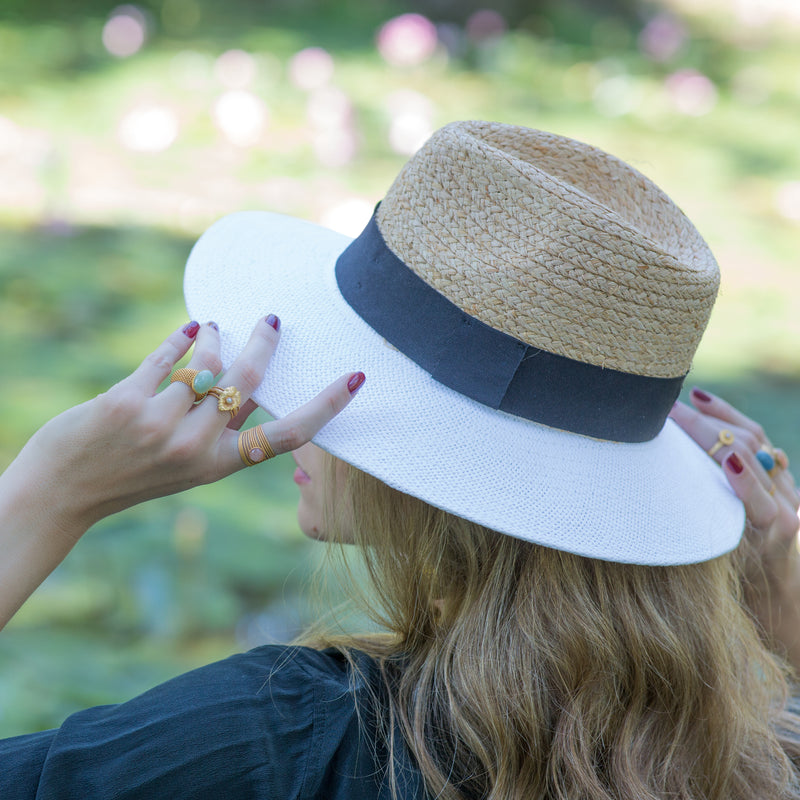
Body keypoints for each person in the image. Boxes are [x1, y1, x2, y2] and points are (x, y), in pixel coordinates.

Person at [1, 120, 799, 799]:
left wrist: (49, 495)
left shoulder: (286, 738)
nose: (290, 406)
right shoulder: (738, 754)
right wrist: (781, 647)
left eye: (337, 365)